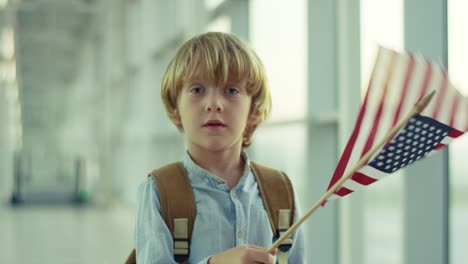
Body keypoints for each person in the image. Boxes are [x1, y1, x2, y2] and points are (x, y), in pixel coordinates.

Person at [134, 32, 305, 263]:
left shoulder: (280, 191)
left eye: (231, 90)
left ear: (253, 109)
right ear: (176, 107)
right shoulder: (159, 191)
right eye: (197, 90)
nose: (214, 104)